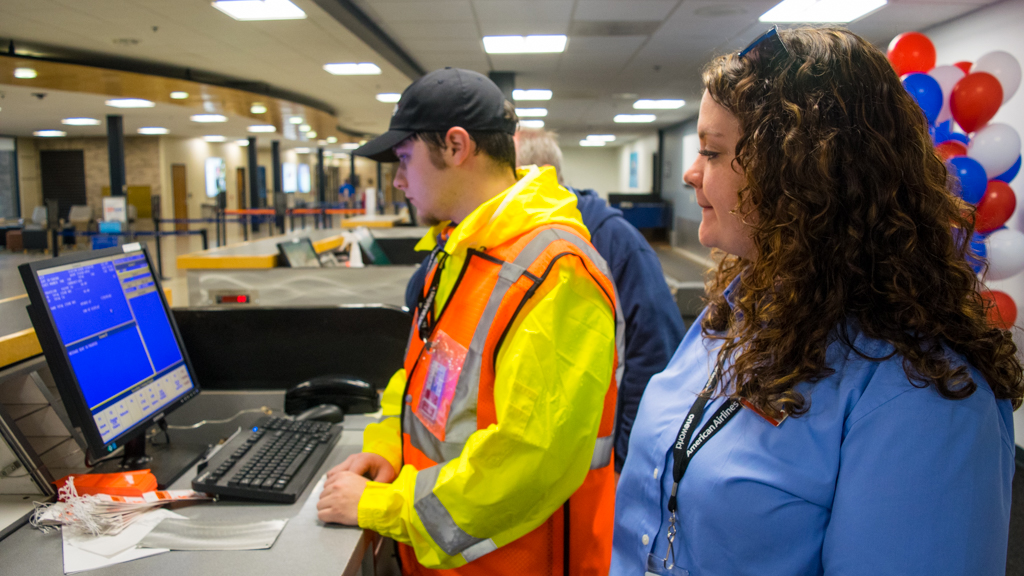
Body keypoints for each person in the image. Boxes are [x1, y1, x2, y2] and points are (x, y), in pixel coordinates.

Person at [612, 26, 1022, 576]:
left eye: (712, 151)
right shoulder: (736, 312)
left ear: (800, 176)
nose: (689, 173)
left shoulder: (922, 393)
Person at [316, 67, 622, 575]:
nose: (396, 179)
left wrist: (380, 507)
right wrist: (388, 447)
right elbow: (421, 382)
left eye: (404, 158)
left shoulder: (555, 274)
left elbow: (527, 461)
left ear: (456, 146)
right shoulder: (462, 252)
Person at [406, 128, 685, 472]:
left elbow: (653, 360)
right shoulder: (492, 236)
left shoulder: (611, 243)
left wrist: (626, 469)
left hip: (589, 486)